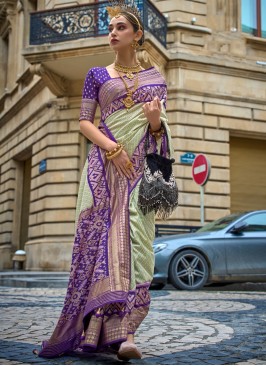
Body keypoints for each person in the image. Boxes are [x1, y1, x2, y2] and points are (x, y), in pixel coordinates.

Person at [35, 0, 174, 361]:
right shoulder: (97, 75)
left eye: (120, 28)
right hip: (104, 172)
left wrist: (156, 121)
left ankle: (126, 332)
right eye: (110, 28)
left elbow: (159, 134)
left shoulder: (156, 78)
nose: (112, 33)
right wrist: (114, 149)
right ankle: (110, 332)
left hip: (140, 175)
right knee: (106, 248)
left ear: (137, 34)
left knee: (138, 247)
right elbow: (84, 121)